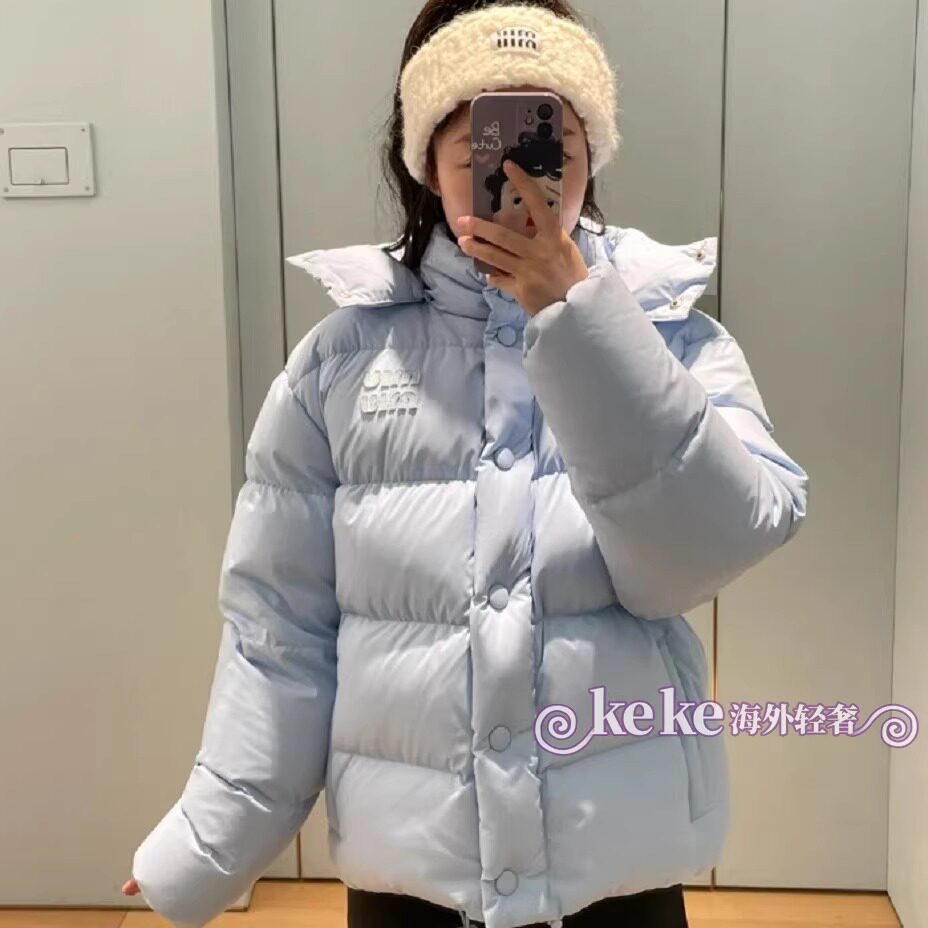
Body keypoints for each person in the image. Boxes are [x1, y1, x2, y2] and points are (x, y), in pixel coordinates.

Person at [124, 2, 810, 927]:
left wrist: (584, 324)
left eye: (553, 147)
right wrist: (211, 838)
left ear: (589, 156)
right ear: (429, 164)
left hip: (617, 863)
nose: (522, 178)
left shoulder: (672, 333)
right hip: (414, 877)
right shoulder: (341, 361)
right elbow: (279, 624)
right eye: (482, 150)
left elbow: (699, 556)